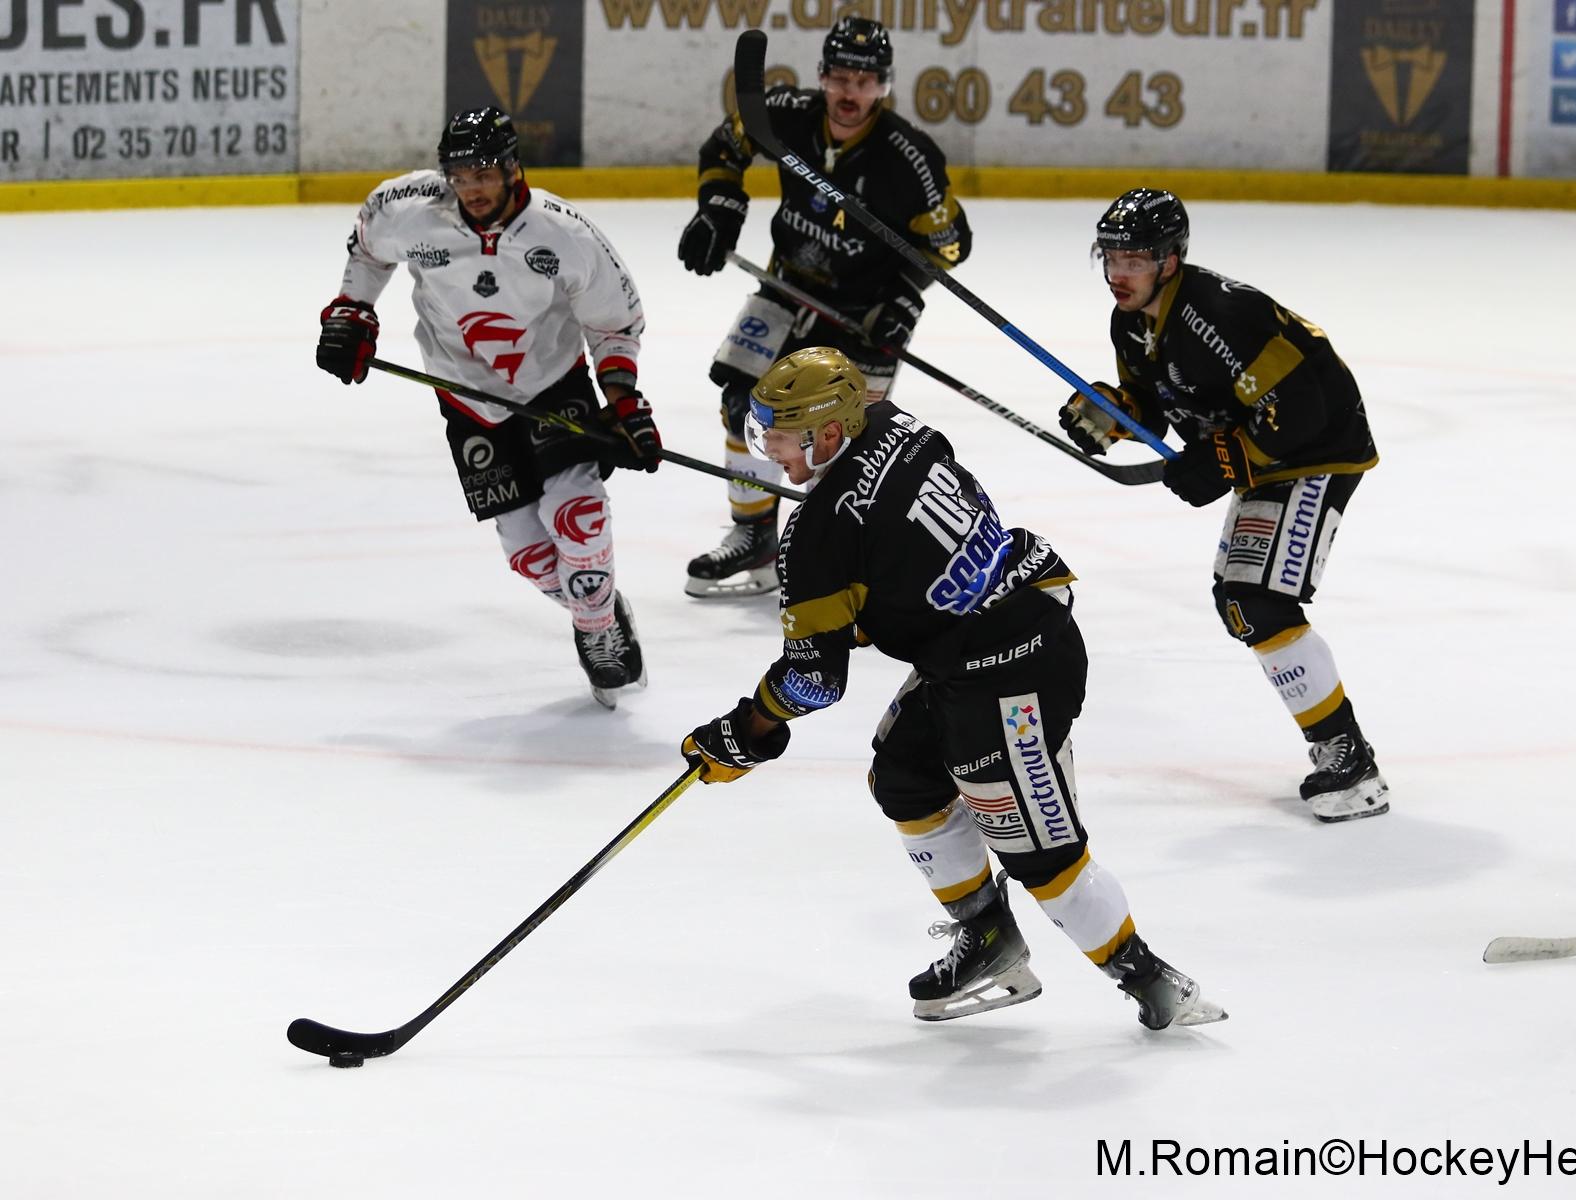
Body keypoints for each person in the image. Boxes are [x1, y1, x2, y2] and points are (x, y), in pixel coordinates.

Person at [679, 347, 1226, 1031]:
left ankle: (1151, 980)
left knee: (1038, 851)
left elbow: (813, 682)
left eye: (782, 438)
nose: (772, 453)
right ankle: (989, 940)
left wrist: (744, 731)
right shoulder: (892, 422)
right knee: (906, 777)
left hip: (1012, 668)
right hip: (1002, 620)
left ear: (826, 434)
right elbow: (897, 537)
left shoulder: (817, 539)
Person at [1059, 188, 1388, 822]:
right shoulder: (1129, 320)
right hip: (1267, 452)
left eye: (1135, 259)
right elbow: (1155, 401)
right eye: (1111, 257)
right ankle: (1341, 751)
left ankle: (1352, 762)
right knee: (1242, 600)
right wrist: (1118, 414)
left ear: (1171, 260)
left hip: (1316, 450)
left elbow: (1301, 408)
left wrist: (1227, 459)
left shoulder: (1218, 312)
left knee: (1259, 599)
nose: (1119, 273)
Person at [314, 106, 660, 707]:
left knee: (579, 514)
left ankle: (598, 629)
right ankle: (598, 601)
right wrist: (353, 309)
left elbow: (615, 323)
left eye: (484, 173)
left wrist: (624, 400)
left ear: (512, 168)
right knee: (529, 556)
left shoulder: (563, 233)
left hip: (553, 385)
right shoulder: (409, 208)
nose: (471, 188)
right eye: (460, 174)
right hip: (467, 399)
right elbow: (369, 250)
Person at [675, 15, 972, 598]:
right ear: (822, 77)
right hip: (788, 287)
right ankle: (755, 535)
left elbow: (950, 244)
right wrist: (718, 207)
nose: (849, 93)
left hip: (866, 312)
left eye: (864, 82)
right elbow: (725, 145)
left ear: (884, 86)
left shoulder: (908, 157)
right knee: (743, 404)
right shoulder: (786, 114)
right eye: (839, 77)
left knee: (854, 443)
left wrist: (904, 301)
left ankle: (851, 557)